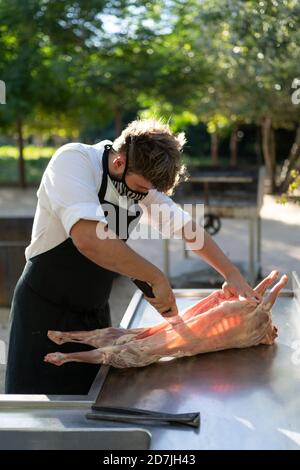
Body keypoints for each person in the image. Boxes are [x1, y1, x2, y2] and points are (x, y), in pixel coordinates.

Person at [5, 118, 261, 395]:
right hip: (42, 312)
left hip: (95, 312)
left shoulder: (139, 181)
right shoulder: (73, 162)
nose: (142, 197)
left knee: (92, 408)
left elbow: (188, 229)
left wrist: (231, 274)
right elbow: (89, 239)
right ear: (119, 162)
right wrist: (155, 276)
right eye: (140, 189)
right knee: (38, 420)